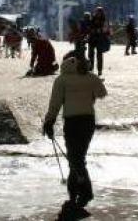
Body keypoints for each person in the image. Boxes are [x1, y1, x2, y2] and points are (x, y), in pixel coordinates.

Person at [43, 52, 107, 219]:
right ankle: (77, 194)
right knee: (78, 157)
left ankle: (83, 193)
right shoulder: (90, 77)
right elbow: (102, 93)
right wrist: (90, 92)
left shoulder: (61, 80)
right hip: (88, 121)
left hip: (71, 122)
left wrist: (48, 122)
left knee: (74, 158)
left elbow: (55, 103)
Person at [87, 7, 110, 76]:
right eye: (97, 12)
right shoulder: (92, 19)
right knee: (91, 54)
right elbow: (89, 27)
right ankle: (91, 68)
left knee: (99, 55)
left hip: (100, 39)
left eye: (99, 12)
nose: (98, 13)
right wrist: (91, 30)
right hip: (92, 39)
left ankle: (99, 70)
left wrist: (98, 30)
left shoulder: (104, 20)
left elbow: (106, 29)